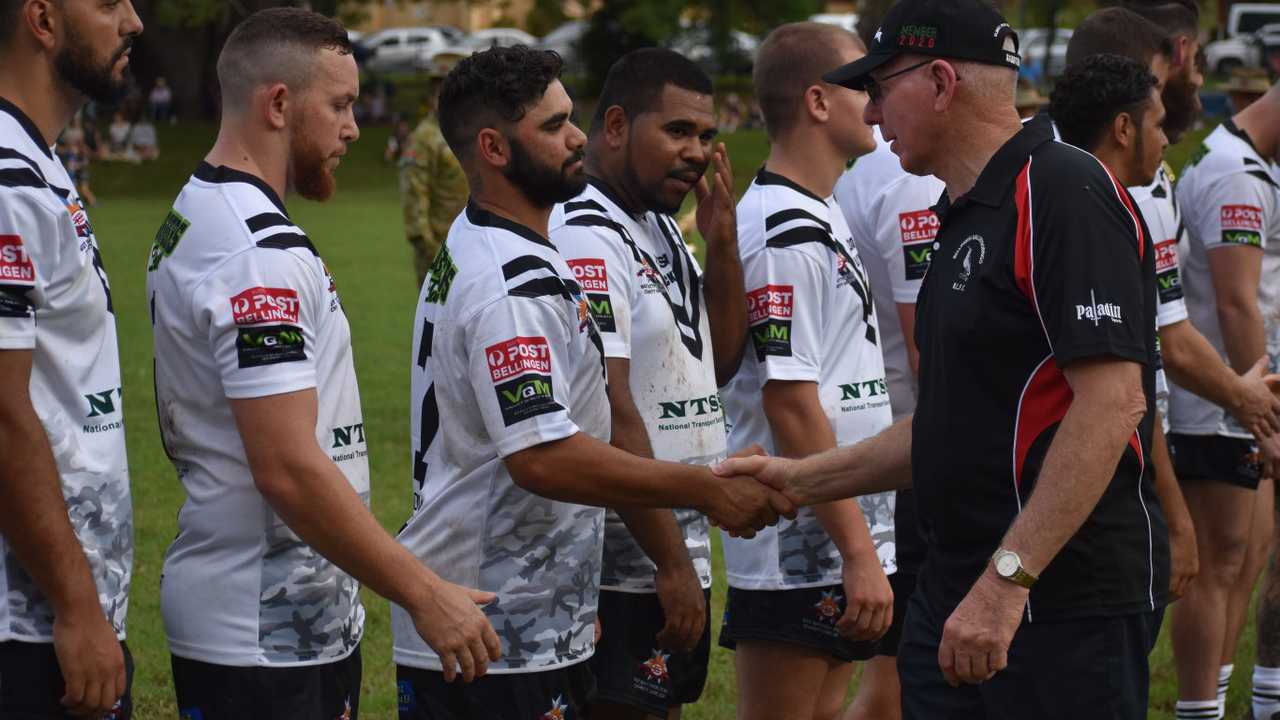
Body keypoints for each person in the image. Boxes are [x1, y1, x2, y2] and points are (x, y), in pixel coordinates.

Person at [721, 0, 1168, 716]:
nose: (869, 113)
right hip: (953, 590)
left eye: (879, 86)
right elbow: (948, 422)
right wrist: (799, 479)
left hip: (1058, 602)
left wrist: (1005, 583)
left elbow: (1114, 403)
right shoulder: (960, 211)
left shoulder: (1063, 191)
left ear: (938, 81)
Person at [392, 45, 791, 720]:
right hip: (491, 617)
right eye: (553, 127)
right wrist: (704, 492)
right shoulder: (511, 282)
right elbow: (544, 455)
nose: (575, 138)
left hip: (527, 613)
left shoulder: (515, 249)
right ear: (493, 147)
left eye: (568, 118)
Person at [146, 10, 501, 718]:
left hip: (270, 623)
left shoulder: (201, 207)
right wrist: (424, 592)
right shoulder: (257, 253)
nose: (354, 127)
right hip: (261, 638)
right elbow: (287, 467)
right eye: (339, 104)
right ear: (278, 103)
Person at [548, 48, 744, 720]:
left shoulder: (658, 225)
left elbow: (712, 366)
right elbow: (610, 406)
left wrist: (721, 248)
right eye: (678, 131)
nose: (697, 151)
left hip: (675, 542)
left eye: (707, 135)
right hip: (620, 564)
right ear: (615, 127)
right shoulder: (585, 234)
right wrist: (670, 562)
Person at [718, 23, 894, 720]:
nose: (878, 101)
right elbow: (789, 404)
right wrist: (857, 551)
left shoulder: (822, 211)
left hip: (844, 529)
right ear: (818, 102)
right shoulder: (778, 231)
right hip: (803, 541)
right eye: (864, 84)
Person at [0, 0, 142, 717]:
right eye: (109, 3)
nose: (135, 22)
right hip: (27, 631)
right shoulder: (7, 182)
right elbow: (0, 410)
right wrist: (76, 608)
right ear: (42, 20)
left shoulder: (36, 164)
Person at [832, 18, 946, 720]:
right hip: (916, 456)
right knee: (898, 680)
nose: (872, 113)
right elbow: (930, 348)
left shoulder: (903, 167)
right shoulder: (908, 178)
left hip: (910, 447)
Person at [1170, 79, 1280, 720]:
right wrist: (1256, 410)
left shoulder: (1253, 165)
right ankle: (1198, 708)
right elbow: (1237, 303)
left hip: (1242, 399)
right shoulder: (1235, 173)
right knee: (1217, 565)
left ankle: (1228, 698)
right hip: (1219, 405)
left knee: (1245, 558)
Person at [399, 52, 467, 289]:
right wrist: (435, 257)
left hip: (474, 250)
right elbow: (414, 202)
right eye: (439, 89)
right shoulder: (424, 138)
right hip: (440, 254)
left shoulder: (470, 134)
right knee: (441, 324)